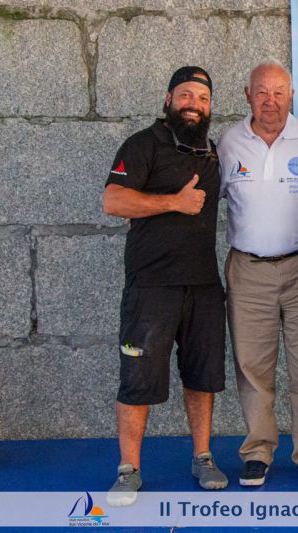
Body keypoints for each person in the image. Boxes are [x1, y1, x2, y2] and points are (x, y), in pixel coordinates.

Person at [102, 66, 228, 506]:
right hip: (151, 287)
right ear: (169, 98)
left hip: (204, 285)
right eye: (186, 95)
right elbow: (113, 200)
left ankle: (203, 457)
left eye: (203, 98)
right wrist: (175, 202)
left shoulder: (213, 151)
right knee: (137, 378)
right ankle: (128, 469)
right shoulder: (142, 144)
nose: (194, 104)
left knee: (202, 377)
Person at [218, 60, 298, 487]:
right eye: (261, 92)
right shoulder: (229, 142)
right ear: (247, 96)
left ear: (292, 96)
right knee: (252, 366)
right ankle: (257, 451)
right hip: (248, 270)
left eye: (279, 92)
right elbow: (205, 199)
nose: (270, 101)